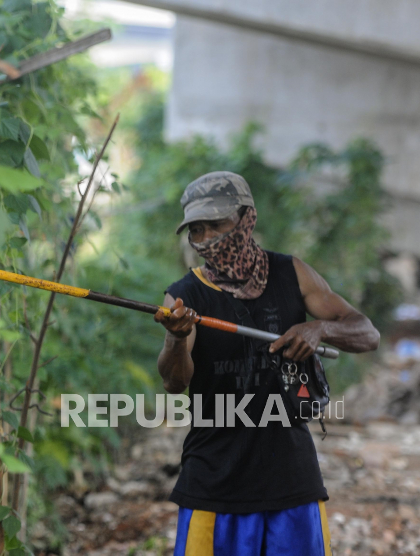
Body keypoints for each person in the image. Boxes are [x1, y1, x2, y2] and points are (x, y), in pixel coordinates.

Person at [154, 171, 380, 556]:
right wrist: (177, 336)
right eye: (197, 230)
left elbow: (367, 333)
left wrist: (319, 329)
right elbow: (175, 382)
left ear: (248, 218)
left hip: (291, 480)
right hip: (214, 481)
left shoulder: (292, 274)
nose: (207, 239)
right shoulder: (184, 295)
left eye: (216, 225)